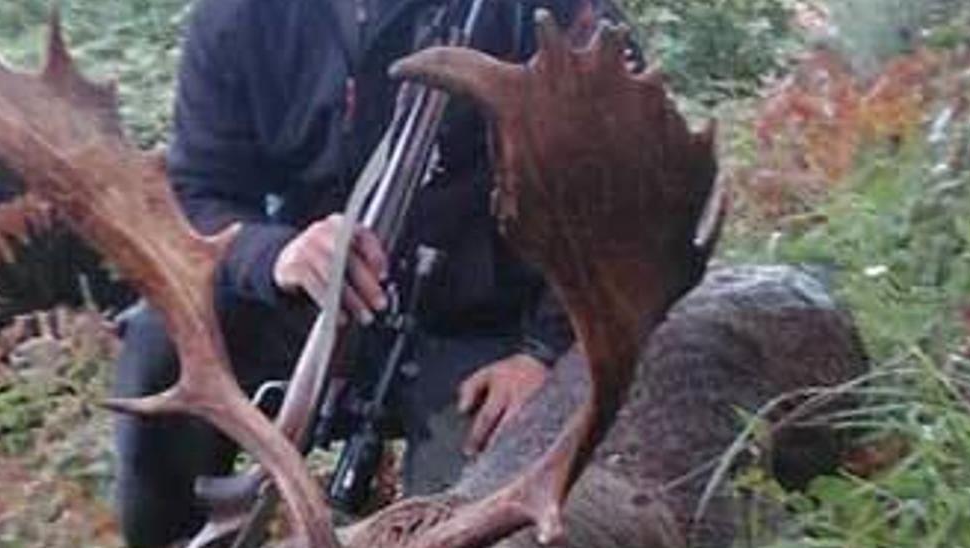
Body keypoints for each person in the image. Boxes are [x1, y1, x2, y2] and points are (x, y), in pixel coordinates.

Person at [111, 0, 635, 545]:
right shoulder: (239, 16)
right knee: (162, 338)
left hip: (485, 337)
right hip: (320, 310)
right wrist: (274, 255)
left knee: (477, 523)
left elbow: (625, 192)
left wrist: (544, 352)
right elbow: (199, 192)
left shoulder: (553, 13)